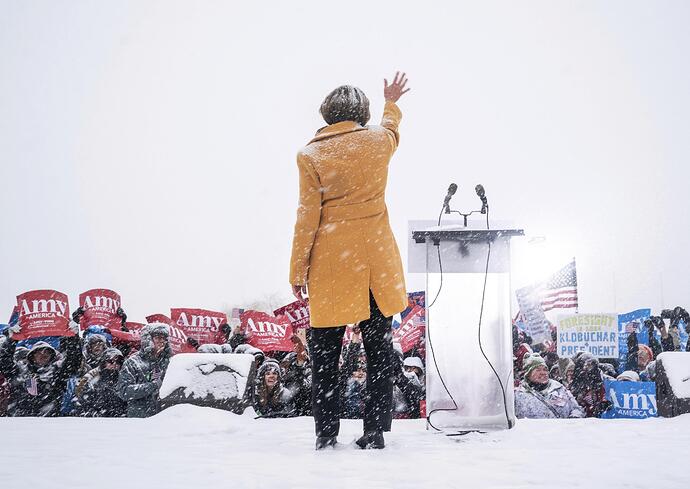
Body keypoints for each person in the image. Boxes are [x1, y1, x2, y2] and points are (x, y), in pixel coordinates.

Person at [289, 72, 411, 450]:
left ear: (327, 113)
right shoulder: (378, 141)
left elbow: (307, 214)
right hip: (376, 262)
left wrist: (298, 270)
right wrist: (391, 101)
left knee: (325, 355)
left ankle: (327, 432)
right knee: (378, 352)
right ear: (362, 111)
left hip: (330, 264)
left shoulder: (310, 154)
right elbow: (391, 129)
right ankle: (374, 430)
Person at [0, 322, 81, 417]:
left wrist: (73, 336)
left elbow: (74, 361)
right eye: (39, 353)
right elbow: (4, 362)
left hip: (48, 424)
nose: (43, 355)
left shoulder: (57, 374)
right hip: (20, 423)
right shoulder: (20, 371)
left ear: (52, 357)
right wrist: (12, 339)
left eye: (47, 353)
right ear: (32, 356)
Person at [116, 323, 172, 418]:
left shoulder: (171, 362)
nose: (162, 341)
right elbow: (124, 392)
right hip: (139, 419)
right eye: (158, 338)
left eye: (164, 338)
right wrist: (154, 385)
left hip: (164, 419)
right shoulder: (133, 362)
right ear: (148, 339)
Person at [515, 353, 584, 419]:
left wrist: (573, 419)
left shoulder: (559, 389)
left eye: (545, 369)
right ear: (528, 374)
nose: (543, 373)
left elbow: (576, 409)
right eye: (538, 370)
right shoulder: (517, 395)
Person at [75, 347, 126, 417]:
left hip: (119, 418)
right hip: (97, 418)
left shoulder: (125, 377)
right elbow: (81, 399)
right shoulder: (92, 376)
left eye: (118, 362)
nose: (114, 364)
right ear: (104, 362)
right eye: (110, 361)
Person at [569, 352, 610, 417]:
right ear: (581, 366)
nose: (589, 368)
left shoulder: (600, 380)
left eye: (591, 365)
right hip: (580, 417)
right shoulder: (575, 382)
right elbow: (572, 403)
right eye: (587, 365)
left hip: (597, 417)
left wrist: (603, 404)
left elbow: (604, 396)